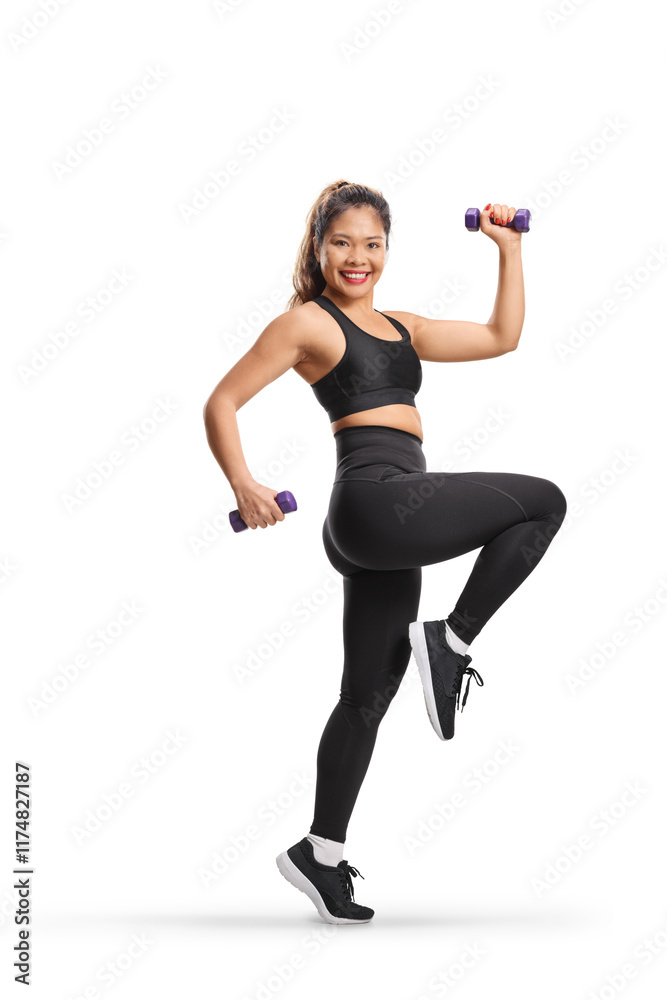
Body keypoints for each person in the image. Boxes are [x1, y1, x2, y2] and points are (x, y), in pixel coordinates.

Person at [203, 180, 567, 925]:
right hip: (370, 504)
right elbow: (222, 401)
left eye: (372, 243)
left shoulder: (403, 327)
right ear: (318, 247)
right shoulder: (307, 323)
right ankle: (451, 639)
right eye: (342, 242)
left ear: (386, 251)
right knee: (543, 500)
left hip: (386, 523)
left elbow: (502, 337)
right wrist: (243, 481)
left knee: (365, 697)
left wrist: (510, 249)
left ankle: (320, 855)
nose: (357, 256)